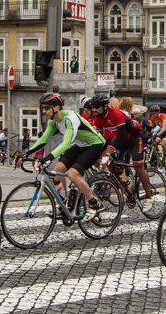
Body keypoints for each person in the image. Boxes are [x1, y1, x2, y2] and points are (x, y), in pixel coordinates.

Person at [28, 91, 107, 219]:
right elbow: (43, 139)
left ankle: (94, 203)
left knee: (72, 174)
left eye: (47, 108)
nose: (44, 111)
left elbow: (66, 143)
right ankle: (63, 202)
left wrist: (47, 158)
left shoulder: (70, 118)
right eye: (43, 108)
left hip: (95, 145)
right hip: (81, 145)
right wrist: (25, 154)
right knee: (57, 169)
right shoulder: (53, 120)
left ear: (56, 107)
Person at [83, 92, 153, 197]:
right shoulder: (98, 119)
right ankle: (125, 181)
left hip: (134, 137)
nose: (94, 110)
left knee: (138, 166)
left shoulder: (116, 113)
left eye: (97, 107)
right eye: (93, 107)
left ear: (105, 106)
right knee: (108, 161)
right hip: (121, 139)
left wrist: (108, 151)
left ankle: (149, 195)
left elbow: (122, 136)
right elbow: (100, 138)